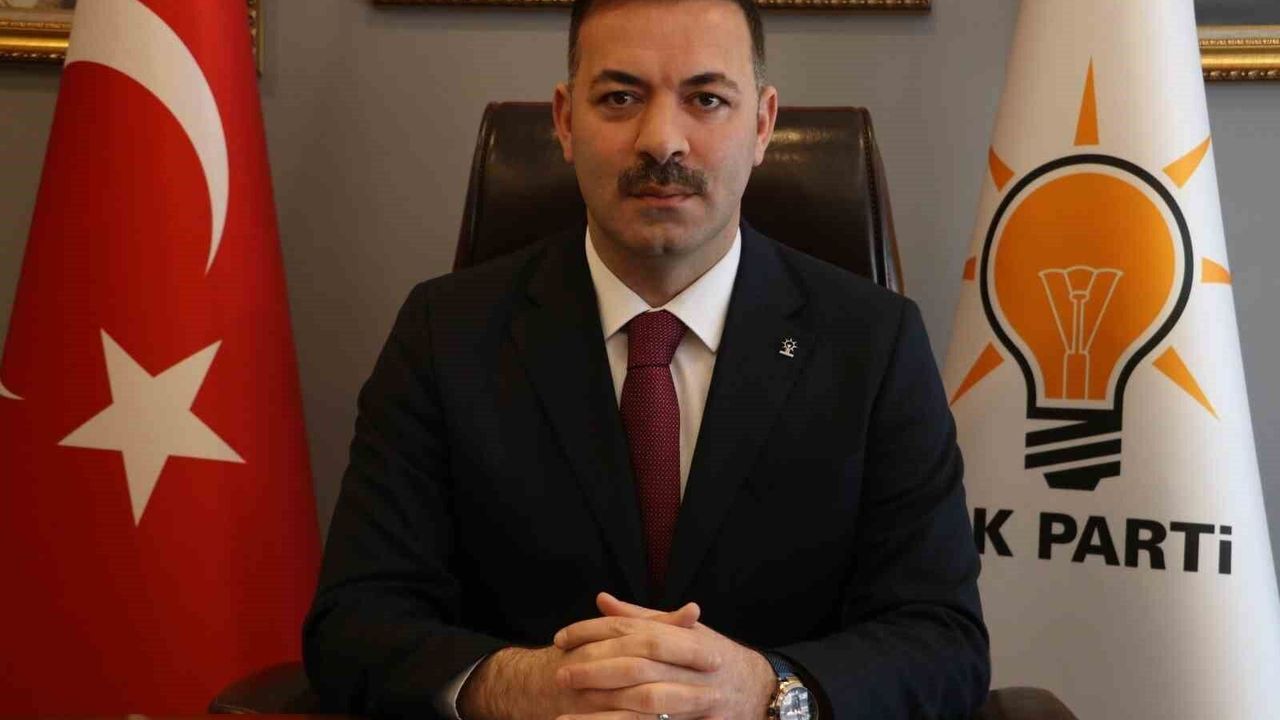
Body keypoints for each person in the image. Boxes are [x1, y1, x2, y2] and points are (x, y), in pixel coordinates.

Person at [302, 0, 990, 716]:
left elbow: (943, 642)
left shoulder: (874, 345)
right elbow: (356, 624)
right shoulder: (445, 334)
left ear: (762, 124)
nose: (662, 141)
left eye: (707, 99)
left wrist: (767, 690)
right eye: (620, 98)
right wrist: (529, 687)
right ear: (565, 122)